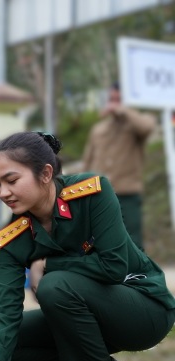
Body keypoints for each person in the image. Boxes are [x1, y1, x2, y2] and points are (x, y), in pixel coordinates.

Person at [0, 131, 175, 361]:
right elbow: (6, 314)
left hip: (143, 309)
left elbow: (114, 266)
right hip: (91, 320)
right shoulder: (13, 238)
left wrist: (49, 265)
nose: (3, 193)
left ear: (45, 173)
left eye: (12, 181)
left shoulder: (92, 193)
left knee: (54, 286)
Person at [82, 83, 156, 249]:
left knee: (133, 240)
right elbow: (87, 161)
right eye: (111, 100)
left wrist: (123, 110)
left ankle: (139, 275)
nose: (114, 104)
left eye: (118, 100)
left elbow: (147, 127)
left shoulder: (138, 123)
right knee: (100, 241)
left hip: (127, 193)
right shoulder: (98, 129)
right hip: (100, 194)